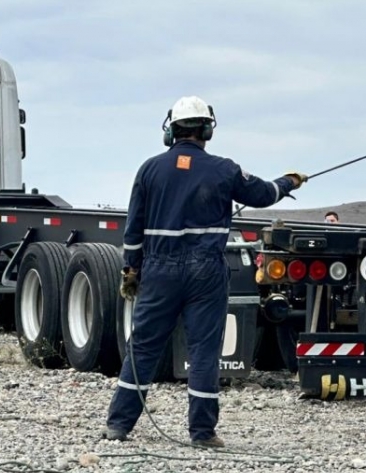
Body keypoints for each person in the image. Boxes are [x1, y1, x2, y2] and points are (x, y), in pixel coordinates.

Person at [104, 96, 307, 448]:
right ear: (208, 130)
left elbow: (133, 231)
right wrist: (290, 181)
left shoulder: (149, 169)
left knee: (144, 348)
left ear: (171, 130)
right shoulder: (224, 169)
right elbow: (264, 193)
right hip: (206, 273)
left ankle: (118, 426)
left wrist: (130, 270)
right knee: (203, 351)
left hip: (159, 271)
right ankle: (202, 433)